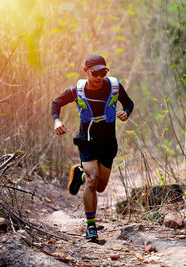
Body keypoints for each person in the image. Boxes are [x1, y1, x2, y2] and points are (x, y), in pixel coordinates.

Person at [51, 55, 134, 243]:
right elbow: (55, 103)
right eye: (95, 73)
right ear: (86, 71)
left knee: (101, 187)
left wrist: (125, 113)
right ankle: (91, 227)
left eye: (103, 72)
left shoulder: (113, 87)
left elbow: (129, 103)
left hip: (108, 142)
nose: (99, 77)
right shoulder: (77, 90)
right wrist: (57, 120)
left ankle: (79, 173)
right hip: (86, 140)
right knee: (92, 181)